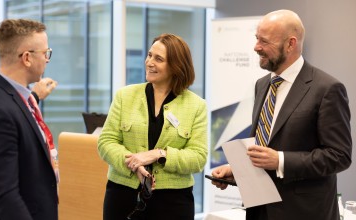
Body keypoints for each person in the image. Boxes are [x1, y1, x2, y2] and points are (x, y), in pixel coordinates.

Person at [210, 9, 352, 220]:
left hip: (304, 212)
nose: (256, 47)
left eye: (264, 41)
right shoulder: (262, 85)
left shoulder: (327, 88)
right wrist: (236, 171)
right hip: (259, 209)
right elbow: (264, 144)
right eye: (257, 38)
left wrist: (281, 160)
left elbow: (339, 156)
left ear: (290, 44)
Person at [98, 33, 208, 220]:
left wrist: (159, 154)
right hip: (123, 195)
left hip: (173, 202)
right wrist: (132, 164)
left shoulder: (196, 105)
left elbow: (198, 157)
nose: (149, 62)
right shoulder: (125, 96)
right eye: (149, 55)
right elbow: (106, 142)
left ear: (176, 66)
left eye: (158, 59)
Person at [0, 19, 58, 220]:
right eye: (45, 53)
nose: (47, 59)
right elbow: (5, 195)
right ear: (26, 58)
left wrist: (34, 97)